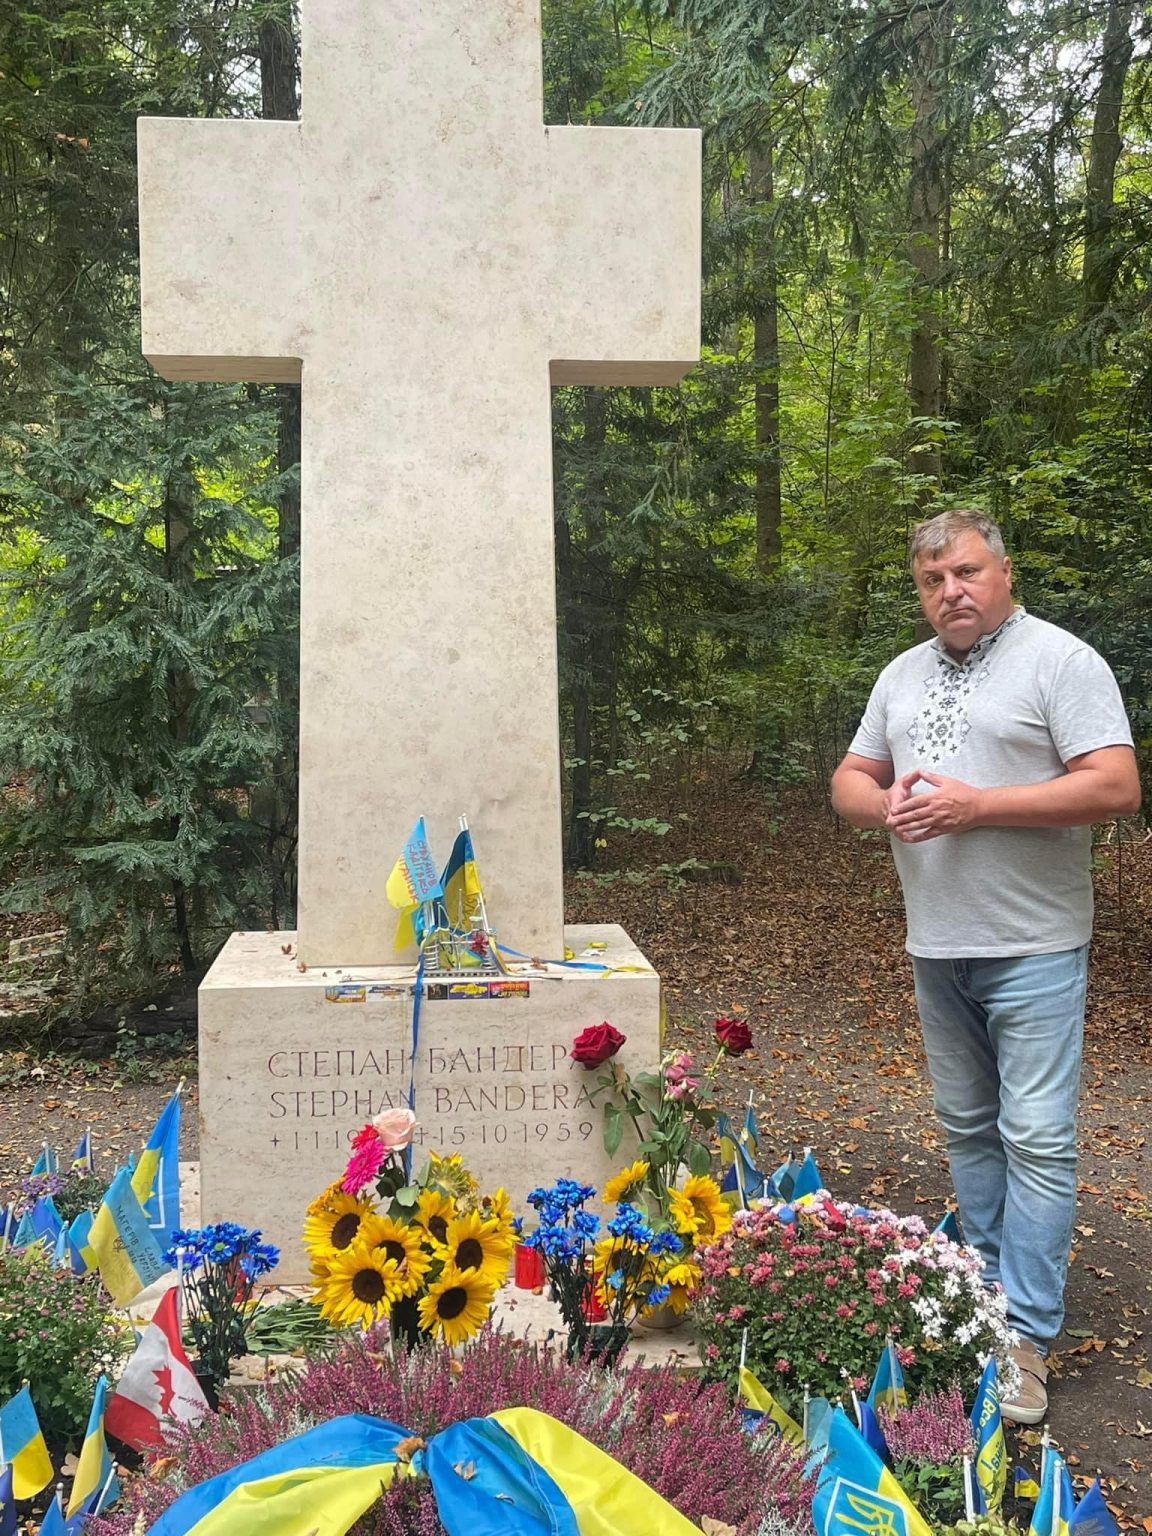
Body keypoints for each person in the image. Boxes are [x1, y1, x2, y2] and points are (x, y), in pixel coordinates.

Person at [830, 508, 1140, 1424]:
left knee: (1035, 1138)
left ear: (1003, 573)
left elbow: (1117, 785)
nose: (950, 592)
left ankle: (1025, 1337)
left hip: (1035, 943)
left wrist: (979, 807)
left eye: (966, 572)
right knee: (968, 1130)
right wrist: (881, 806)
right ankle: (983, 1304)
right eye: (933, 580)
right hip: (937, 942)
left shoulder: (1061, 661)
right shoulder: (901, 674)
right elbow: (850, 779)